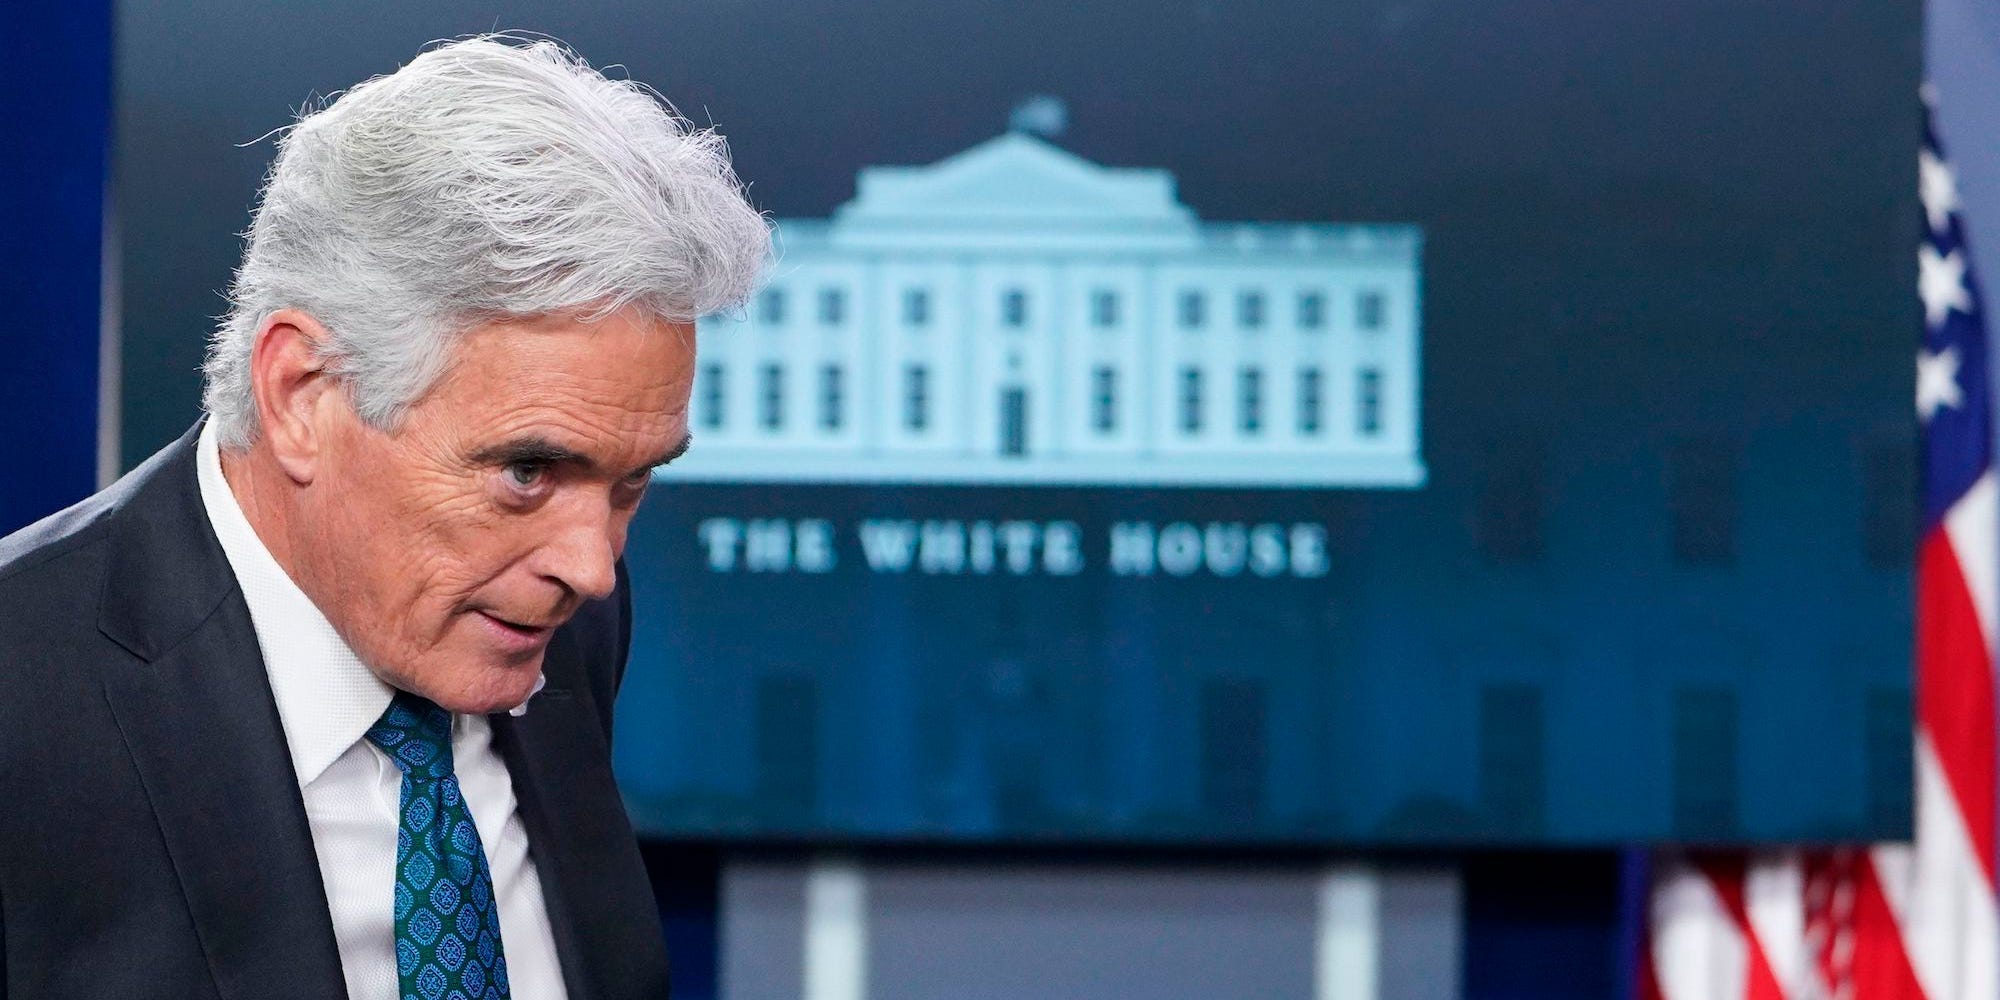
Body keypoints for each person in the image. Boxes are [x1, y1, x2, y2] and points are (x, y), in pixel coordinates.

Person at [0, 35, 769, 1000]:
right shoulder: (22, 693)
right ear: (301, 394)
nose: (594, 568)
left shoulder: (551, 624)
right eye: (527, 470)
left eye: (631, 483)